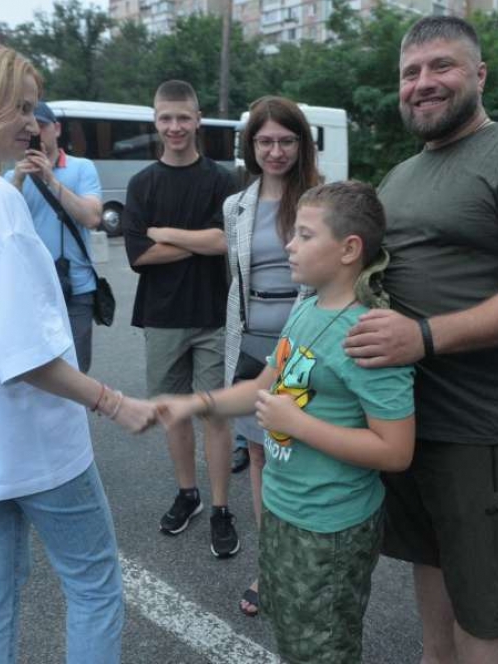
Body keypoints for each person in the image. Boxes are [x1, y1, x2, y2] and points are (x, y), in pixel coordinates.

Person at [0, 42, 157, 664]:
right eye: (18, 106)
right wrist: (113, 400)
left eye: (31, 108)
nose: (30, 121)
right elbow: (24, 353)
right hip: (33, 439)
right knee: (94, 584)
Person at [344, 16, 498, 664]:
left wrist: (421, 337)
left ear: (480, 74)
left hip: (480, 428)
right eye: (410, 73)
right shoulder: (402, 174)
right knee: (430, 560)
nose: (423, 83)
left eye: (441, 67)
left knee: (484, 596)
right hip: (408, 419)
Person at [158, 180, 415, 663]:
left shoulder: (368, 334)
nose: (288, 245)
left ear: (349, 249)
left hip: (329, 528)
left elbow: (396, 450)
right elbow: (263, 384)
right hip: (282, 509)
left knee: (323, 647)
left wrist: (297, 424)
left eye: (304, 235)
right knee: (294, 635)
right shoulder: (307, 309)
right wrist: (193, 405)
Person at [123, 80, 241, 558]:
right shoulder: (142, 184)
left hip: (214, 313)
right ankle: (187, 494)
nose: (175, 127)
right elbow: (139, 254)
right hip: (163, 318)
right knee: (173, 412)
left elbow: (224, 242)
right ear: (155, 121)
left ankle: (219, 508)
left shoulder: (224, 179)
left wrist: (166, 232)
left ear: (198, 120)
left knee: (214, 412)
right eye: (166, 118)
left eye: (183, 118)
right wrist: (198, 239)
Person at [221, 95, 320, 616]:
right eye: (265, 141)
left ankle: (308, 565)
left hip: (304, 347)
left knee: (298, 457)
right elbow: (237, 281)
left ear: (301, 144)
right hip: (250, 345)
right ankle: (271, 565)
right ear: (250, 146)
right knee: (259, 455)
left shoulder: (321, 199)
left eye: (286, 140)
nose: (275, 151)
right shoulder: (234, 205)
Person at [6, 101, 104, 371]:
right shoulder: (10, 177)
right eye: (30, 125)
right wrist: (16, 181)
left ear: (57, 129)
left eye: (43, 125)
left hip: (76, 287)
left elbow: (92, 218)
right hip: (30, 288)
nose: (35, 129)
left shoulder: (82, 168)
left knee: (76, 370)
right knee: (36, 370)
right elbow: (1, 230)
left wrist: (51, 180)